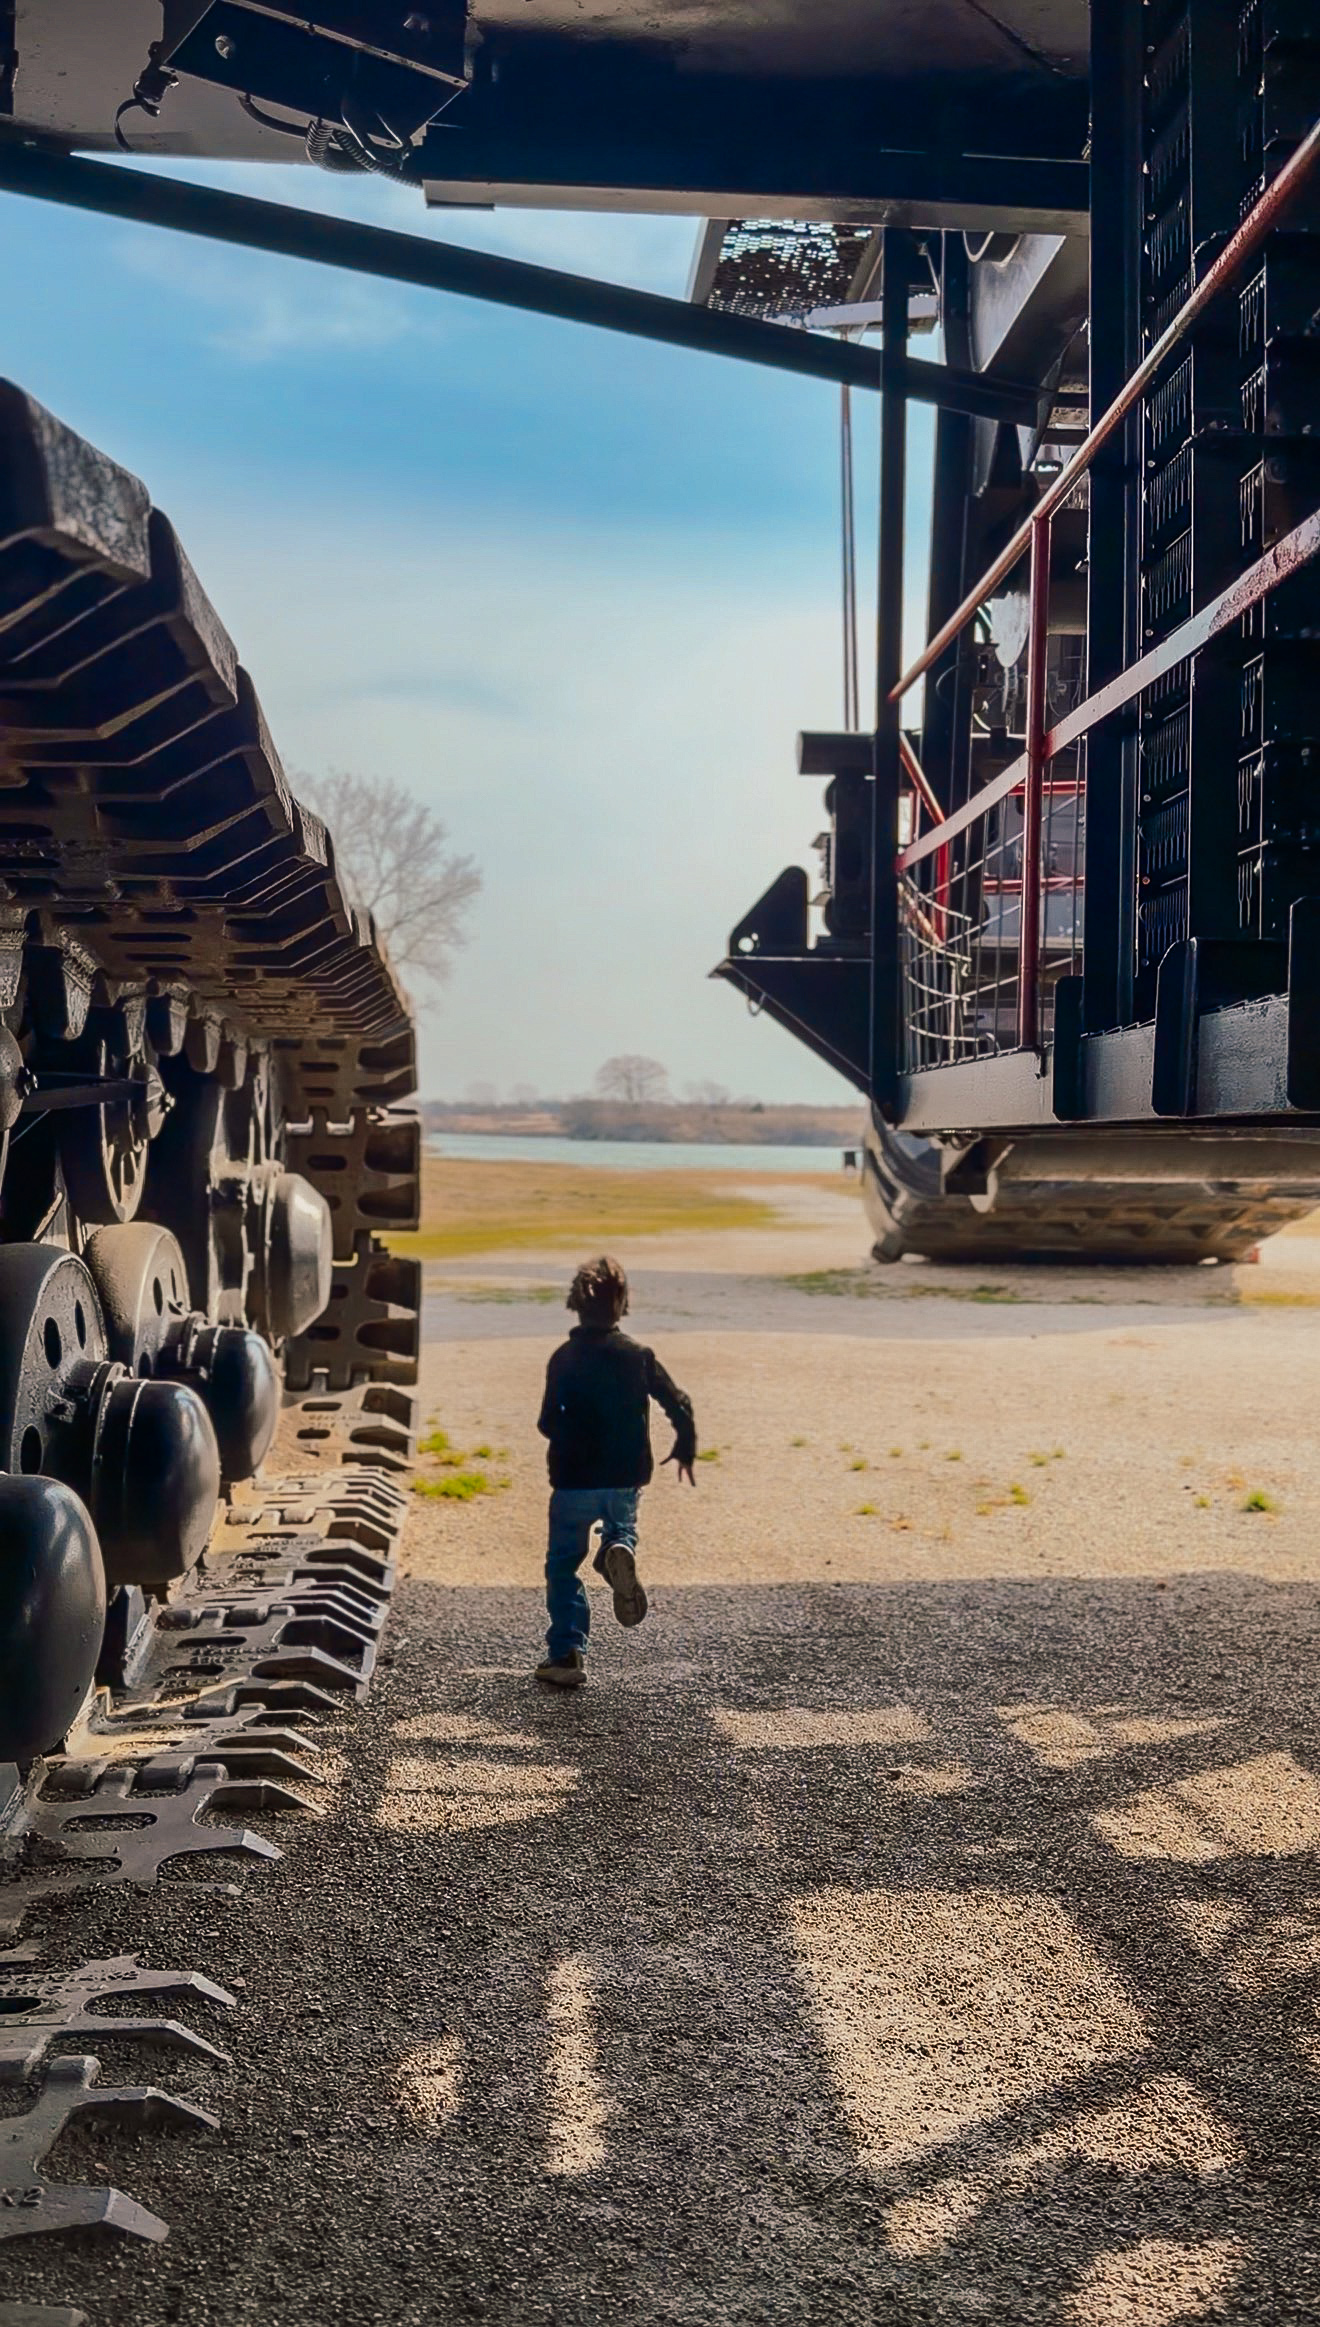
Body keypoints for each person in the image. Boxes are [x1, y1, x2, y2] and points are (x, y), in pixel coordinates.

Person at [534, 1254, 696, 1689]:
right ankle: (616, 1549)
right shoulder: (638, 1356)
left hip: (572, 1479)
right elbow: (678, 1402)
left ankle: (567, 1653)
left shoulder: (564, 1357)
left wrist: (571, 1429)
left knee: (563, 1566)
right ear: (622, 1303)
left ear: (575, 1304)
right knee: (622, 1527)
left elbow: (546, 1422)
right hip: (625, 1474)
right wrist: (685, 1446)